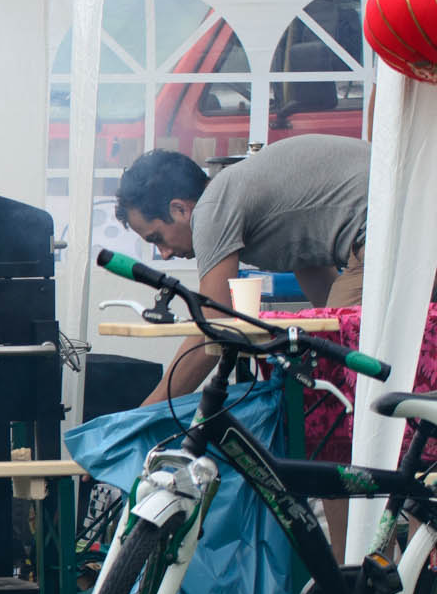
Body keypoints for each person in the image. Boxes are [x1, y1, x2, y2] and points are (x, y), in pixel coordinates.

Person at [115, 138, 372, 407]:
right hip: (383, 216)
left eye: (157, 238)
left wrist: (146, 413)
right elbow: (321, 294)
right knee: (334, 355)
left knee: (337, 377)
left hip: (378, 225)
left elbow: (214, 328)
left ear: (179, 209)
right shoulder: (245, 197)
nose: (165, 253)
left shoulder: (211, 210)